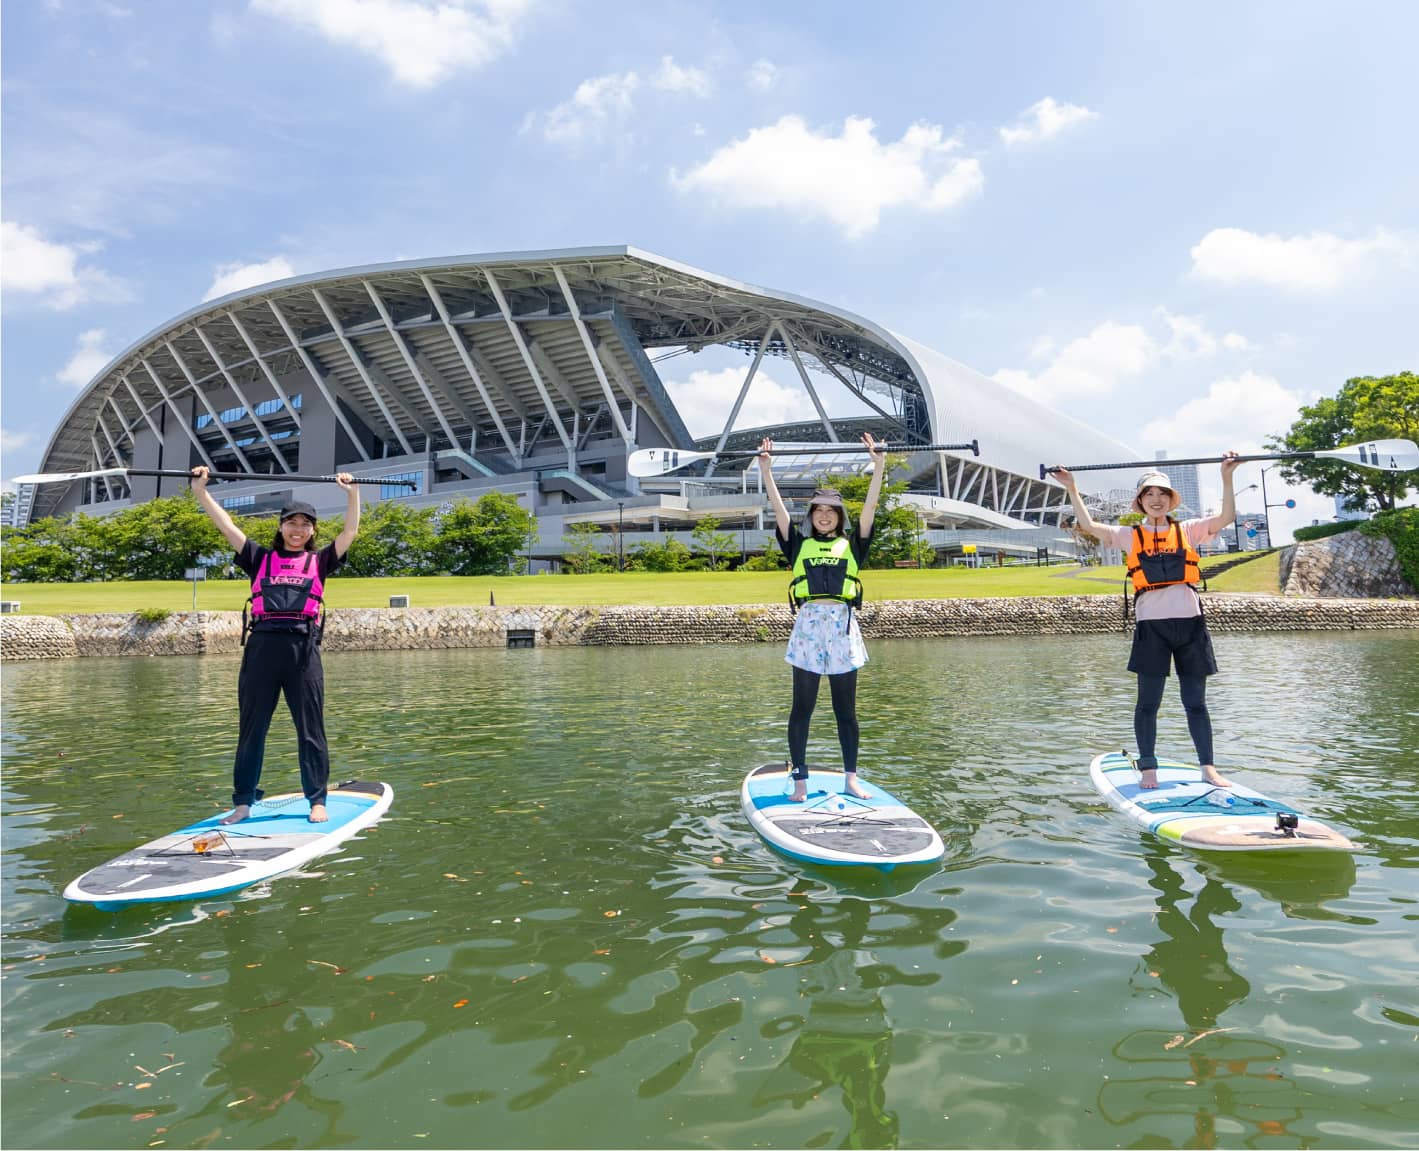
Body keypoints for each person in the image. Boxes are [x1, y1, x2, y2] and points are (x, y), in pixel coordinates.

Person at [1052, 455, 1239, 790]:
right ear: (1140, 501)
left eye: (1163, 494)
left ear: (1170, 500)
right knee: (1148, 703)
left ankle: (1208, 767)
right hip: (1152, 629)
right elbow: (1089, 526)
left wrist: (1226, 476)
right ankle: (1148, 766)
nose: (1157, 499)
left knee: (1195, 702)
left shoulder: (1189, 529)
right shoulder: (1128, 534)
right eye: (1149, 494)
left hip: (1191, 625)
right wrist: (1072, 488)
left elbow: (1226, 517)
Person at [191, 466, 360, 823]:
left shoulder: (321, 561)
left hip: (303, 652)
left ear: (312, 530)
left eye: (305, 524)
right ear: (281, 526)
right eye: (291, 523)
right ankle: (243, 802)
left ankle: (317, 800)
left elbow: (350, 531)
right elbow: (227, 526)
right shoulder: (258, 557)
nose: (297, 530)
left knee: (310, 729)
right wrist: (201, 491)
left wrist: (352, 493)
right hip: (262, 650)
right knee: (252, 729)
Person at [759, 433, 887, 802]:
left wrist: (878, 465)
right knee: (803, 708)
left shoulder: (854, 544)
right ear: (812, 516)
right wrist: (767, 470)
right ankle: (800, 779)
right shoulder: (798, 544)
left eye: (831, 510)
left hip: (843, 627)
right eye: (818, 510)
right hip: (809, 627)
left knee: (845, 710)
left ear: (839, 516)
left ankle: (851, 778)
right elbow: (778, 509)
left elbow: (871, 507)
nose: (825, 514)